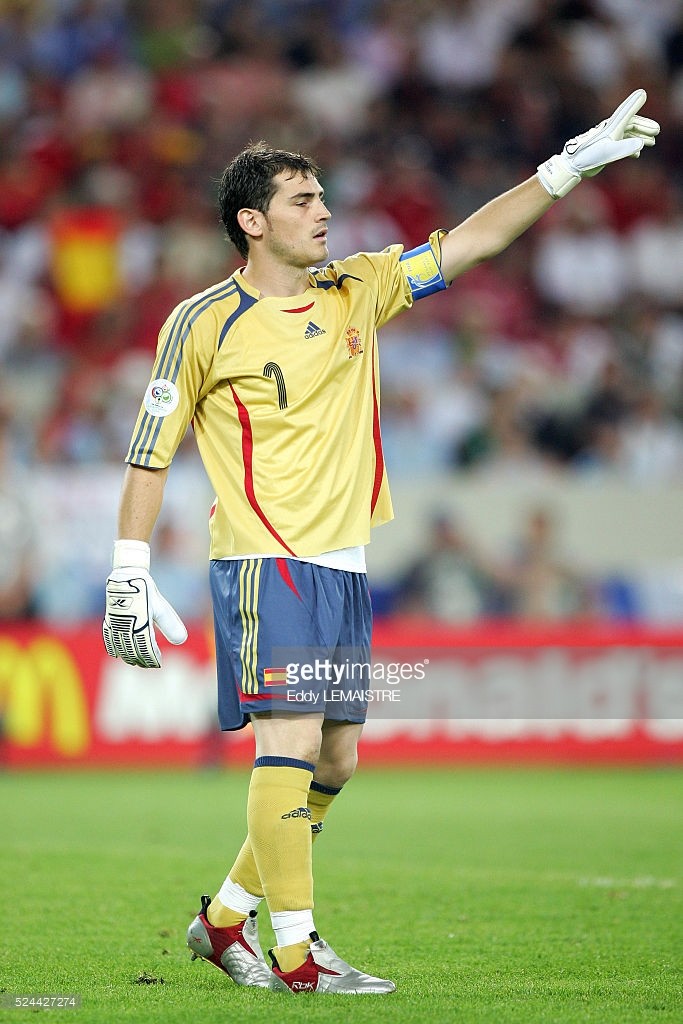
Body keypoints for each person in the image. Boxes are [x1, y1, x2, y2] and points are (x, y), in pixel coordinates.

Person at [102, 90, 659, 995]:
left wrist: (561, 171)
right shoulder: (202, 322)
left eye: (323, 196)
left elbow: (469, 244)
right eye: (302, 200)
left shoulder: (358, 286)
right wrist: (128, 568)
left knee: (335, 760)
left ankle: (224, 918)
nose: (324, 211)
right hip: (266, 559)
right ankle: (297, 956)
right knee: (287, 745)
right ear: (251, 222)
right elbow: (148, 451)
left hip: (343, 561)